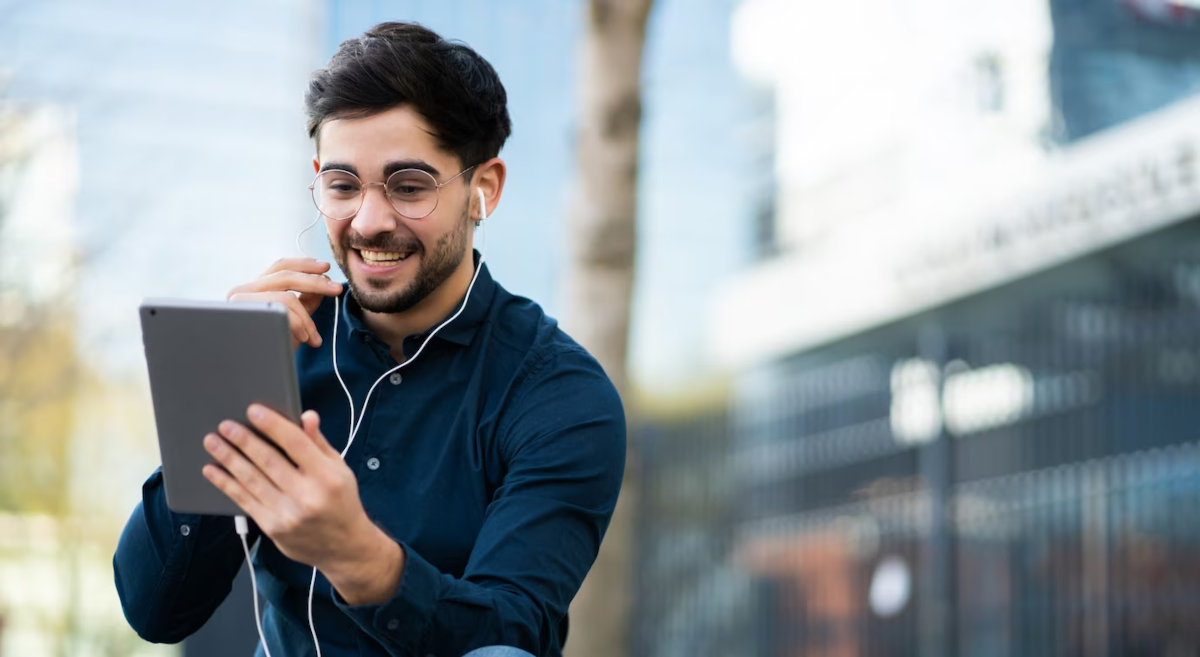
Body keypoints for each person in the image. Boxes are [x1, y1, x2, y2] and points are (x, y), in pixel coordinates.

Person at [113, 21, 626, 657]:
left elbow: (511, 634)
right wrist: (226, 381)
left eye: (409, 186)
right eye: (343, 185)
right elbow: (154, 610)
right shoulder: (280, 347)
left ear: (482, 189)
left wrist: (360, 558)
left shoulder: (558, 396)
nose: (370, 221)